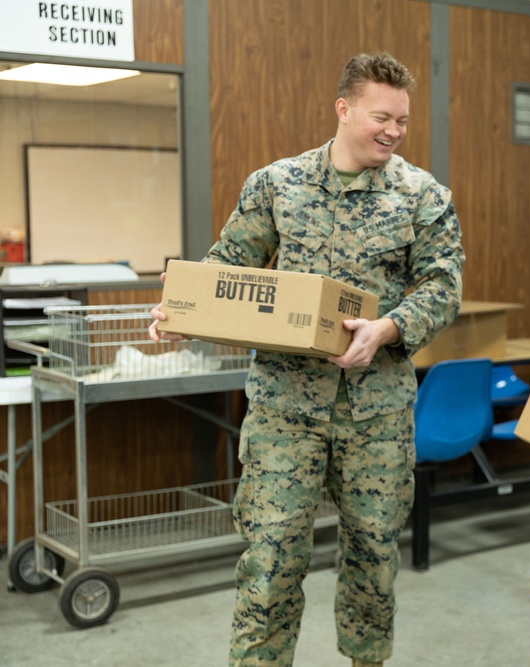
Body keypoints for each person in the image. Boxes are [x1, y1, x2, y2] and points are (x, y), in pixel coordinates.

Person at [150, 52, 465, 666]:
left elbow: (442, 285)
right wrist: (180, 311)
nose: (394, 132)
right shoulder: (277, 185)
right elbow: (228, 265)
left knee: (373, 560)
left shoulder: (422, 195)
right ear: (343, 109)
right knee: (269, 559)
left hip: (375, 412)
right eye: (382, 117)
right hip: (284, 410)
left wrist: (389, 328)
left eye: (403, 121)